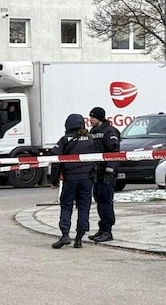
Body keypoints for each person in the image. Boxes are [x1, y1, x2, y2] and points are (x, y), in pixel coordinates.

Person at [49, 113, 97, 249]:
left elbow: (56, 161)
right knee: (84, 207)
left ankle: (65, 234)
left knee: (66, 206)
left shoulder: (65, 140)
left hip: (71, 178)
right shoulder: (90, 139)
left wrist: (54, 180)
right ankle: (79, 238)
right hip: (87, 179)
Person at [88, 107, 121, 243]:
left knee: (106, 201)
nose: (90, 120)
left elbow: (114, 152)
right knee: (99, 200)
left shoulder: (110, 131)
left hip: (106, 173)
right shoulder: (93, 131)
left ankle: (108, 231)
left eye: (93, 118)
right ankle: (102, 229)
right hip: (96, 172)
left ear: (100, 118)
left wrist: (110, 170)